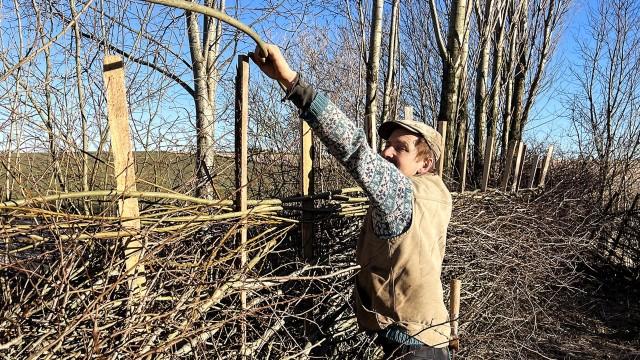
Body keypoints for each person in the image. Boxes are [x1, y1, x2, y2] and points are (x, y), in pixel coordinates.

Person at [251, 44, 452, 360]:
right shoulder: (439, 194)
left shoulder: (401, 193)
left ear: (425, 164)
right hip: (432, 338)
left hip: (413, 347)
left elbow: (353, 149)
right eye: (387, 144)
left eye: (400, 148)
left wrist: (291, 82)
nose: (386, 152)